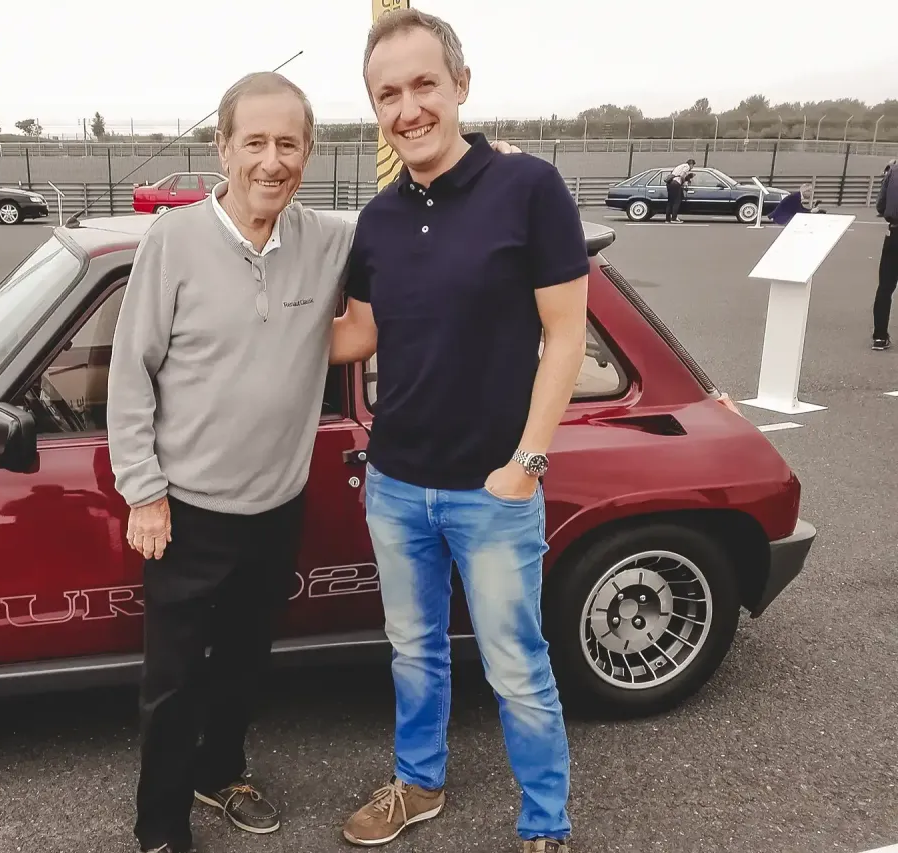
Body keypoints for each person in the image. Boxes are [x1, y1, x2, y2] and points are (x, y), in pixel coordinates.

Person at [107, 69, 523, 853]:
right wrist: (144, 492)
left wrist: (486, 173)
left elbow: (411, 224)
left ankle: (220, 772)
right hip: (186, 509)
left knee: (244, 662)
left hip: (276, 506)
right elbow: (132, 373)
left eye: (289, 144)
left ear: (308, 153)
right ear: (223, 148)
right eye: (254, 143)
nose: (272, 161)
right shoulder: (173, 241)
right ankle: (159, 824)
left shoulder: (330, 239)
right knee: (172, 680)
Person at [329, 8, 588, 853]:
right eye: (388, 95)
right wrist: (241, 312)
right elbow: (358, 334)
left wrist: (527, 463)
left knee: (515, 664)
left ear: (461, 85)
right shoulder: (378, 219)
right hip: (396, 483)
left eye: (424, 85)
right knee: (413, 651)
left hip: (494, 489)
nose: (408, 109)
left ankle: (544, 819)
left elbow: (566, 335)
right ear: (375, 107)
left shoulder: (530, 188)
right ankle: (418, 783)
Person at [873, 159, 897, 351]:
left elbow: (881, 205)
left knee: (885, 287)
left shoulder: (893, 171)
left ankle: (880, 336)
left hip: (895, 231)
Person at [665, 158, 694, 223]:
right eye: (692, 166)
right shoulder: (687, 166)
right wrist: (684, 182)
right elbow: (682, 176)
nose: (692, 168)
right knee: (677, 201)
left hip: (670, 184)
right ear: (691, 164)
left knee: (670, 202)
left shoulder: (680, 166)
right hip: (676, 184)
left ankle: (667, 219)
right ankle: (674, 219)